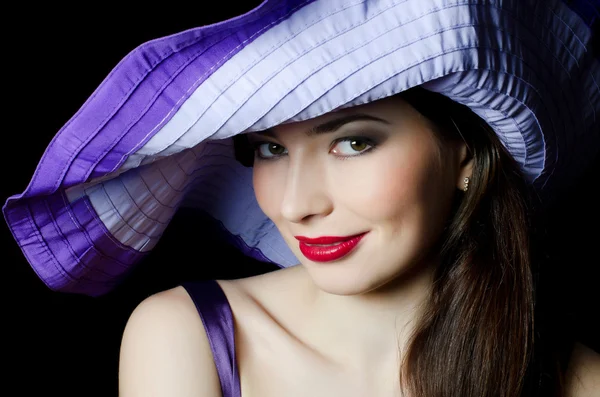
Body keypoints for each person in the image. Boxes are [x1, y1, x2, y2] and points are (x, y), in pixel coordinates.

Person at [3, 0, 599, 396]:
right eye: (268, 150)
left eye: (353, 142)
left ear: (466, 153)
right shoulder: (194, 339)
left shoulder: (578, 379)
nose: (294, 205)